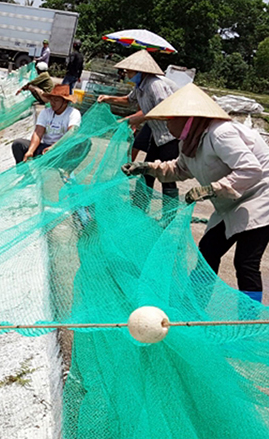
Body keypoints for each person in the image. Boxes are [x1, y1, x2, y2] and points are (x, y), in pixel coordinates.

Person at [122, 83, 269, 303]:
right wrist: (148, 167)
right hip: (230, 201)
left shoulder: (220, 133)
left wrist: (211, 189)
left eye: (171, 120)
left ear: (187, 117)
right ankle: (194, 306)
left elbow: (250, 169)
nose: (167, 124)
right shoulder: (190, 140)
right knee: (207, 251)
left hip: (259, 197)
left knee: (245, 262)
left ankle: (249, 319)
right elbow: (181, 169)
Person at [97, 50, 179, 203]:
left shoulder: (155, 85)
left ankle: (169, 215)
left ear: (140, 71)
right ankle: (139, 205)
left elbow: (164, 109)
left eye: (130, 71)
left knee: (167, 175)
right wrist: (109, 99)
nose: (127, 74)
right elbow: (128, 100)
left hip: (169, 136)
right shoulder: (140, 86)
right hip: (156, 136)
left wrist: (135, 119)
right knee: (146, 170)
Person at [11, 84, 82, 164]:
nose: (52, 103)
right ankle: (25, 174)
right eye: (51, 100)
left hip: (61, 149)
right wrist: (31, 150)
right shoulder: (45, 112)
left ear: (65, 102)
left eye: (56, 100)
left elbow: (71, 133)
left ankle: (67, 170)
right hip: (45, 149)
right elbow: (38, 132)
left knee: (84, 143)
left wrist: (54, 147)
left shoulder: (73, 113)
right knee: (18, 144)